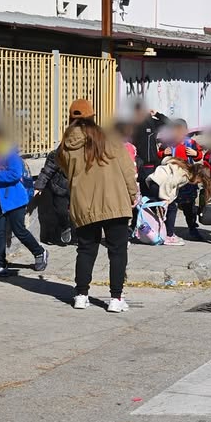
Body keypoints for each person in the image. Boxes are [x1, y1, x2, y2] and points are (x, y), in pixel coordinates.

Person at [58, 99, 139, 313]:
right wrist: (133, 193)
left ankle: (81, 295)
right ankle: (115, 298)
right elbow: (126, 168)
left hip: (83, 204)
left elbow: (65, 169)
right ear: (93, 116)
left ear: (71, 118)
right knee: (117, 251)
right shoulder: (109, 138)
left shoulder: (66, 144)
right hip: (114, 200)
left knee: (85, 249)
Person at [0, 127, 49, 276]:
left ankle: (40, 252)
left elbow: (15, 174)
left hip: (13, 199)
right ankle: (0, 263)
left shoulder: (7, 152)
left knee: (19, 231)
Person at [157, 119, 203, 242]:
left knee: (189, 206)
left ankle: (192, 227)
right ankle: (168, 230)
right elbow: (160, 153)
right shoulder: (168, 143)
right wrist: (163, 153)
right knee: (171, 205)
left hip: (186, 179)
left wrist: (195, 153)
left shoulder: (190, 143)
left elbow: (199, 155)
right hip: (171, 179)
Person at [33, 145, 73, 245]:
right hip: (59, 188)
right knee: (61, 212)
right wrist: (39, 186)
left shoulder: (87, 152)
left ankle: (78, 233)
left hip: (77, 188)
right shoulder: (57, 154)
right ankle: (65, 226)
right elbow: (47, 170)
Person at [132, 103, 168, 191]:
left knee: (152, 189)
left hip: (152, 164)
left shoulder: (151, 122)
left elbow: (168, 123)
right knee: (143, 189)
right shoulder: (133, 124)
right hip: (139, 164)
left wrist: (157, 114)